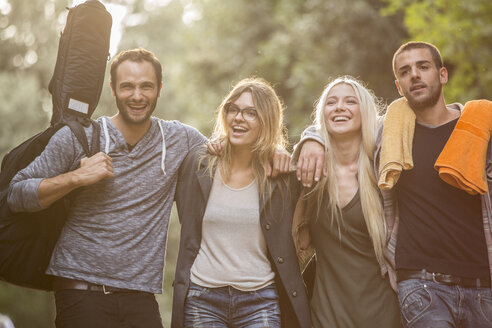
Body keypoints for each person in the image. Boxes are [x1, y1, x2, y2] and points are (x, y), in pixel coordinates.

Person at [7, 48, 207, 328]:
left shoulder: (180, 139)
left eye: (146, 86)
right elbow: (16, 194)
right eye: (127, 86)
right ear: (113, 89)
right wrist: (76, 177)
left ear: (159, 89)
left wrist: (281, 153)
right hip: (81, 292)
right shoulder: (81, 137)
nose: (137, 96)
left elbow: (235, 152)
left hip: (140, 296)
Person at [296, 42, 492, 327]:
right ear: (398, 86)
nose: (414, 75)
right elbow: (343, 126)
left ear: (443, 75)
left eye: (423, 67)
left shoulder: (478, 132)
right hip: (423, 288)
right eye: (405, 71)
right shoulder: (390, 137)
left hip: (482, 285)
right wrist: (311, 138)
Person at [171, 78, 311, 328]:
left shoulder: (281, 177)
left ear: (266, 121)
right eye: (232, 109)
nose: (238, 117)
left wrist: (306, 143)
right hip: (203, 297)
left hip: (260, 301)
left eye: (250, 113)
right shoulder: (199, 165)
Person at [291, 76, 401, 327]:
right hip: (326, 316)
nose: (339, 107)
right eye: (331, 102)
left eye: (350, 101)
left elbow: (405, 117)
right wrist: (311, 137)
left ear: (366, 112)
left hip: (384, 314)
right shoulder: (310, 174)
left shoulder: (384, 168)